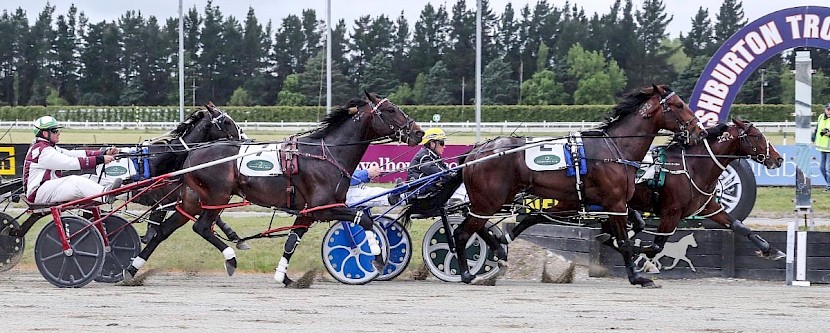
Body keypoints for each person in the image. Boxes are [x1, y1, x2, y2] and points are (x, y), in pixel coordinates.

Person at [23, 116, 122, 204]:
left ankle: (127, 193)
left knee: (89, 178)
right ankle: (105, 195)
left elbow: (72, 154)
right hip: (38, 193)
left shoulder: (49, 148)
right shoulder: (43, 151)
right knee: (76, 182)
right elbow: (70, 163)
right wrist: (100, 160)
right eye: (54, 131)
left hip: (46, 189)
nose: (59, 133)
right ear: (45, 133)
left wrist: (103, 153)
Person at [406, 128, 466, 202]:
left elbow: (447, 170)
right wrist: (457, 175)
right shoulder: (424, 157)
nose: (444, 146)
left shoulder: (434, 156)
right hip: (418, 192)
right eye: (441, 143)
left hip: (428, 190)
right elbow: (440, 173)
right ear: (432, 144)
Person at [813, 103, 830, 191]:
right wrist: (813, 137)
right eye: (828, 109)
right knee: (822, 168)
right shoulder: (820, 117)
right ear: (825, 109)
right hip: (822, 147)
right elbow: (817, 129)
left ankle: (829, 186)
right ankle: (828, 184)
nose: (829, 112)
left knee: (828, 168)